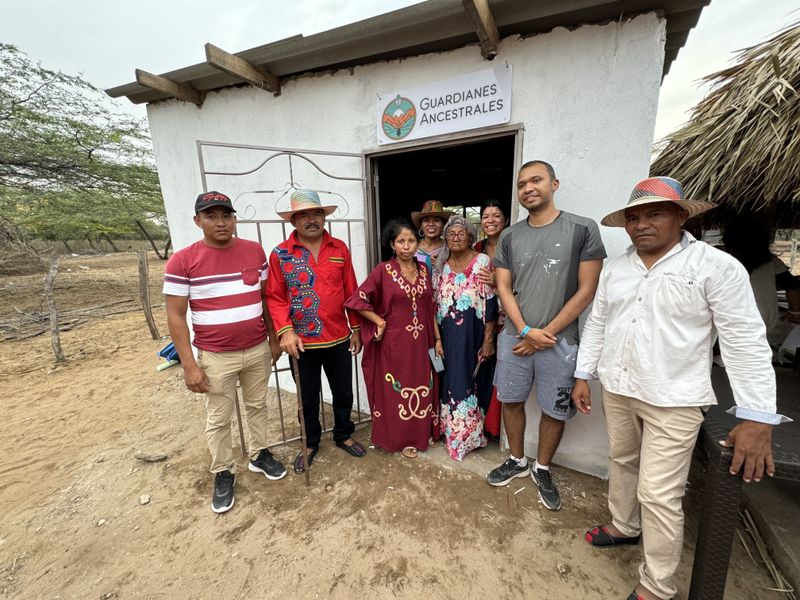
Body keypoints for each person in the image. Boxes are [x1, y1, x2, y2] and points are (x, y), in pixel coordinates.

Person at [572, 176, 789, 600]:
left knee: (658, 493)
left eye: (654, 213)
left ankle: (657, 585)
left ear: (681, 216)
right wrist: (584, 374)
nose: (641, 225)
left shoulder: (715, 267)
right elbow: (598, 323)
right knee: (621, 460)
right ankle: (623, 526)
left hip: (675, 399)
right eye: (633, 217)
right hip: (618, 387)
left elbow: (743, 339)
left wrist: (756, 414)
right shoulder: (618, 268)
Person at [485, 160, 606, 513]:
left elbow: (586, 291)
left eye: (535, 180)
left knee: (555, 409)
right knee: (512, 400)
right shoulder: (509, 236)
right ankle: (517, 459)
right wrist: (524, 330)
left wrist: (543, 334)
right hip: (514, 336)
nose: (528, 188)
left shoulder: (582, 229)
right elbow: (503, 288)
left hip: (561, 341)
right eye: (522, 184)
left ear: (554, 183)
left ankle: (542, 467)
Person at [163, 191, 287, 514]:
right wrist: (189, 365)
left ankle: (259, 455)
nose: (220, 222)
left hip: (258, 348)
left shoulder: (254, 251)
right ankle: (223, 471)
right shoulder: (183, 261)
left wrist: (274, 339)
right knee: (219, 417)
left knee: (258, 405)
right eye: (211, 216)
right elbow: (176, 316)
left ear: (234, 219)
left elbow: (265, 298)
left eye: (226, 215)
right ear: (197, 221)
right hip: (216, 355)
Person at [266, 189, 367, 474]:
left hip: (338, 337)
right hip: (301, 343)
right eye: (304, 215)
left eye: (317, 214)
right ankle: (310, 442)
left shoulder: (339, 248)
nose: (312, 220)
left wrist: (356, 329)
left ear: (323, 218)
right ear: (294, 221)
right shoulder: (280, 254)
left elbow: (351, 291)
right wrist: (285, 331)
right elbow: (275, 296)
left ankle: (343, 434)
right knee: (307, 396)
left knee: (343, 392)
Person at [345, 218, 442, 457]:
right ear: (392, 245)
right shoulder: (383, 271)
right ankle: (400, 439)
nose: (407, 246)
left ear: (417, 244)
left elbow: (429, 308)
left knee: (423, 384)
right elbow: (356, 300)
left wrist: (438, 340)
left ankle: (419, 434)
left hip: (422, 343)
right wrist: (378, 321)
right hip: (394, 344)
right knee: (397, 390)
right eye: (401, 241)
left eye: (411, 241)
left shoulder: (424, 270)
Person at [434, 215, 498, 461]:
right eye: (451, 234)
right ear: (445, 239)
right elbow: (433, 305)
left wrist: (489, 339)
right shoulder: (441, 266)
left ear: (471, 237)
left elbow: (491, 301)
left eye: (462, 233)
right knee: (449, 381)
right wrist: (437, 339)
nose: (456, 237)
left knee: (470, 383)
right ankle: (449, 431)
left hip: (473, 337)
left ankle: (468, 437)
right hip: (447, 338)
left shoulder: (482, 261)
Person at [722, 216, 800, 345]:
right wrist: (794, 311)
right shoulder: (772, 263)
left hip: (732, 324)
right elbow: (792, 287)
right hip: (766, 324)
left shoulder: (724, 263)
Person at [474, 199, 508, 436]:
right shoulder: (476, 248)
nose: (490, 220)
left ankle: (497, 427)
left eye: (496, 215)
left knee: (503, 366)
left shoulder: (514, 245)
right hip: (483, 316)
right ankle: (482, 420)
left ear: (505, 220)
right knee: (483, 363)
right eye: (486, 216)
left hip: (508, 314)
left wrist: (500, 282)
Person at [411, 200, 453, 279]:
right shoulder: (412, 246)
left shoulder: (450, 247)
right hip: (416, 290)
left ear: (444, 225)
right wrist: (426, 260)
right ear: (421, 225)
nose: (431, 224)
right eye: (426, 220)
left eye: (436, 220)